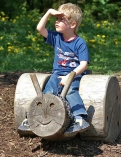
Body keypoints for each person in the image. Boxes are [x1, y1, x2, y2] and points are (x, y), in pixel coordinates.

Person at [37, 3, 90, 137]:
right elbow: (40, 28)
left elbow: (84, 64)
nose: (57, 22)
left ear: (72, 24)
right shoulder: (56, 38)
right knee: (48, 91)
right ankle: (36, 117)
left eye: (61, 19)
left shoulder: (79, 43)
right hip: (57, 73)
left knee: (71, 90)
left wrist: (70, 76)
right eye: (56, 19)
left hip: (73, 74)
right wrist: (49, 12)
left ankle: (79, 119)